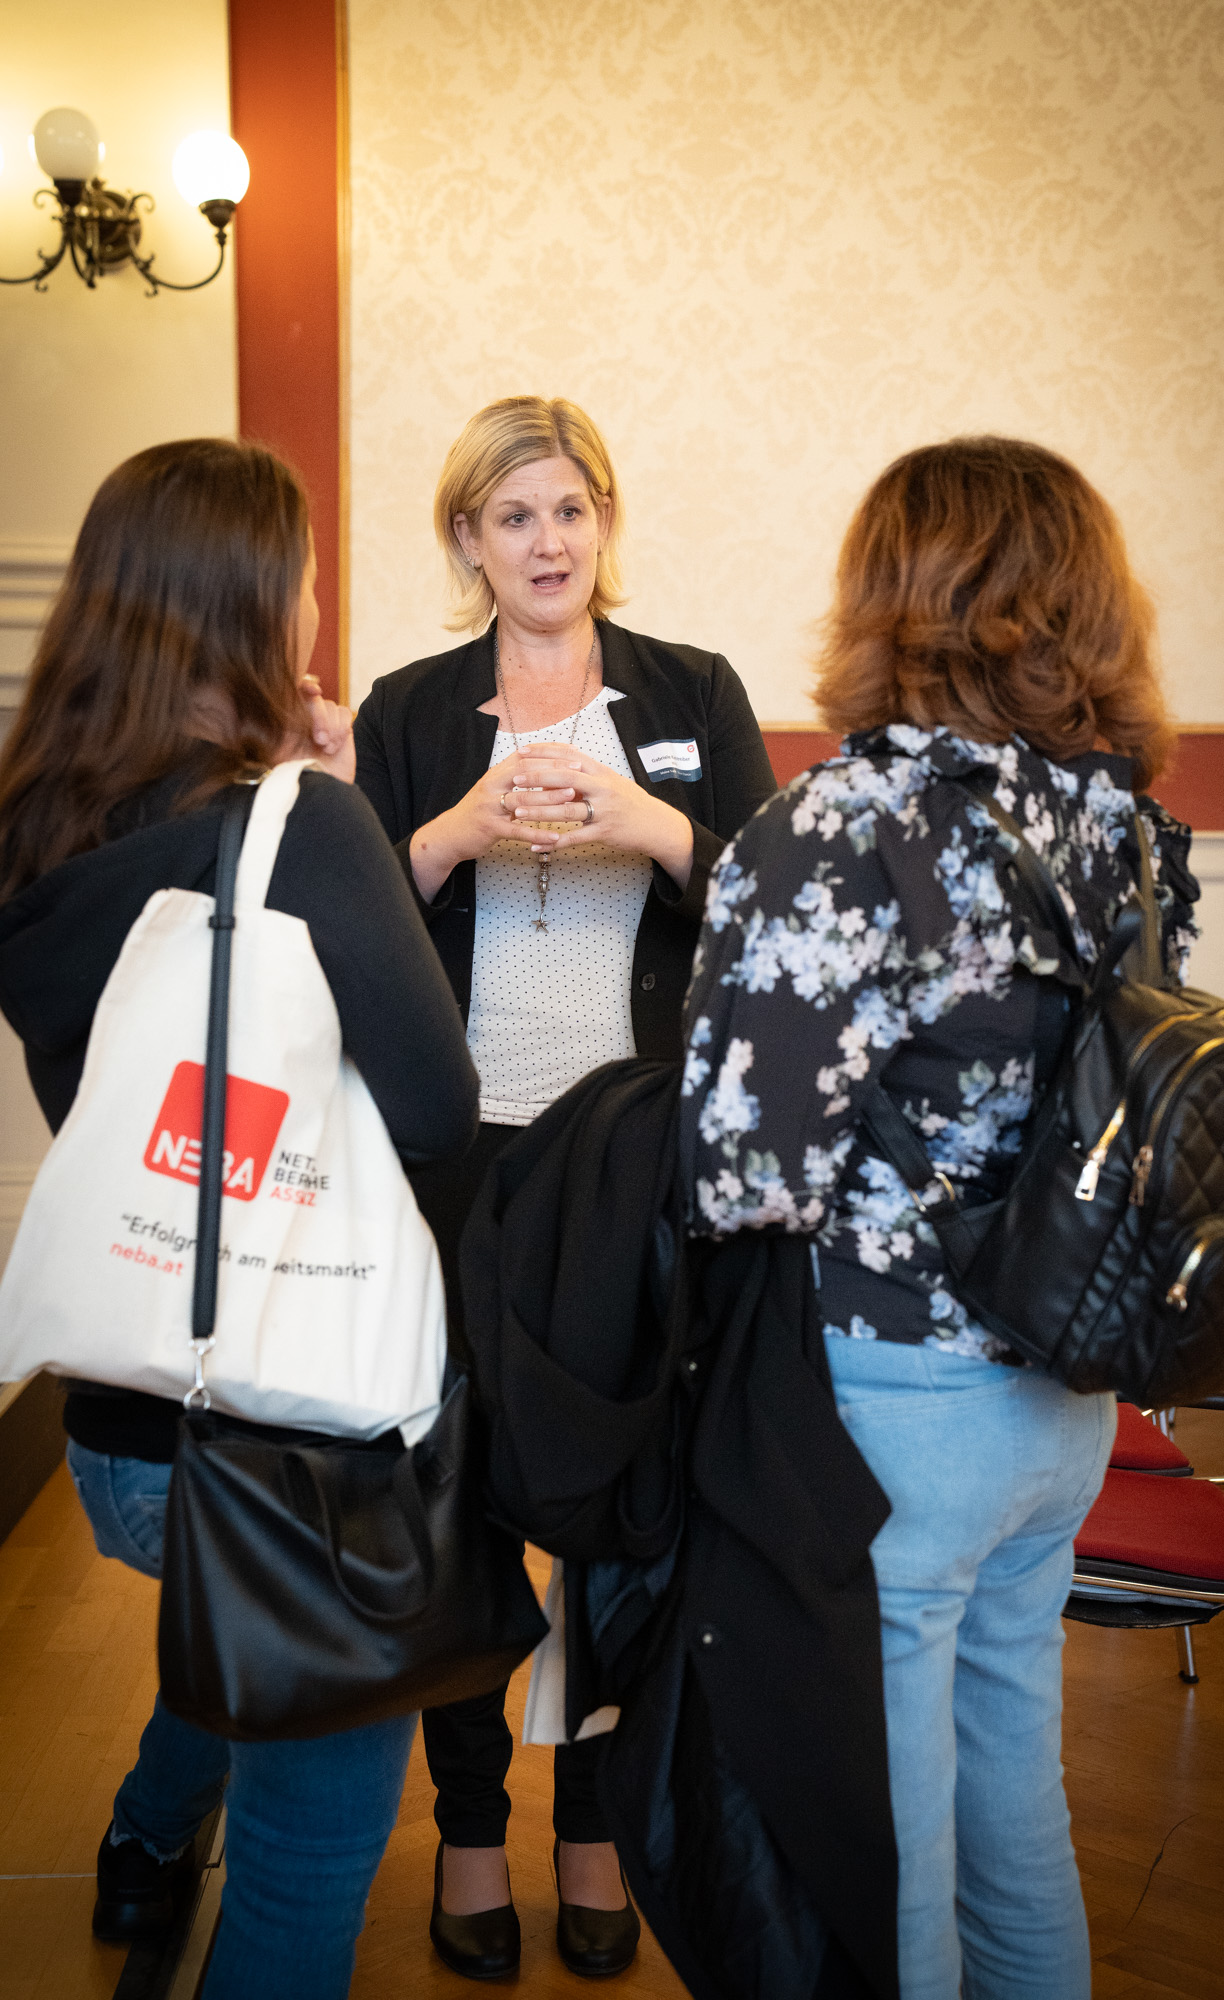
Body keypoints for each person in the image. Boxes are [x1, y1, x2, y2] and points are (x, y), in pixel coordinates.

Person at [678, 436, 1200, 2000]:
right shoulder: (1123, 825)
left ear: (893, 592)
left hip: (893, 1399)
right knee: (1012, 1808)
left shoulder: (842, 828)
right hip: (1061, 1387)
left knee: (882, 1846)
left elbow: (741, 1174)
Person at [0, 439, 480, 2000]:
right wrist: (326, 804)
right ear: (251, 602)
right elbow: (435, 1109)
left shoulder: (35, 827)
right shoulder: (307, 828)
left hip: (121, 1427)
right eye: (306, 577)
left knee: (231, 1617)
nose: (317, 604)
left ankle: (145, 1839)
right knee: (303, 1867)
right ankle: (166, 1855)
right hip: (296, 1441)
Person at [353, 393, 776, 1980]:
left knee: (620, 1505)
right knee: (458, 1507)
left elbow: (776, 923)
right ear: (468, 540)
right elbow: (344, 936)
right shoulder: (410, 710)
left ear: (604, 521)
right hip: (453, 1161)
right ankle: (469, 1833)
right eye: (515, 516)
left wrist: (658, 828)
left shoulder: (690, 692)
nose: (549, 542)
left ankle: (591, 1824)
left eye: (571, 509)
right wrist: (445, 834)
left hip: (629, 1162)